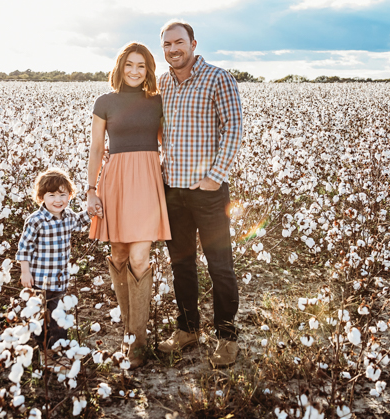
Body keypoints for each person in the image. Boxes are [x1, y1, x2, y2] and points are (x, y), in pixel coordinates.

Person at [155, 20, 244, 368]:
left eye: (179, 42)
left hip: (208, 192)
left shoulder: (218, 78)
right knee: (181, 264)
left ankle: (226, 335)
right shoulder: (163, 83)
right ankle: (188, 328)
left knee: (220, 266)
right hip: (173, 190)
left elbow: (234, 128)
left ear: (193, 43)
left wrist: (214, 177)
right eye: (166, 45)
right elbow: (162, 131)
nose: (173, 49)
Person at [87, 42, 171, 369]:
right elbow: (96, 148)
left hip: (148, 180)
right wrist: (91, 190)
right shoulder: (104, 102)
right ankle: (128, 328)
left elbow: (169, 142)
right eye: (130, 65)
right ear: (120, 67)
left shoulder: (156, 101)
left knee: (139, 256)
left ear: (149, 70)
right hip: (115, 181)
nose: (136, 71)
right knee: (119, 253)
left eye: (142, 66)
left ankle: (137, 341)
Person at [16, 168, 94, 353]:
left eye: (62, 194)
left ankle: (59, 349)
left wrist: (92, 211)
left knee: (59, 317)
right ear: (42, 197)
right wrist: (25, 272)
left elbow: (81, 220)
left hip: (60, 281)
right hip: (39, 281)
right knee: (40, 316)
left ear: (69, 196)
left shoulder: (68, 217)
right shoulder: (36, 220)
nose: (58, 200)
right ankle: (43, 350)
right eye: (51, 195)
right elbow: (24, 248)